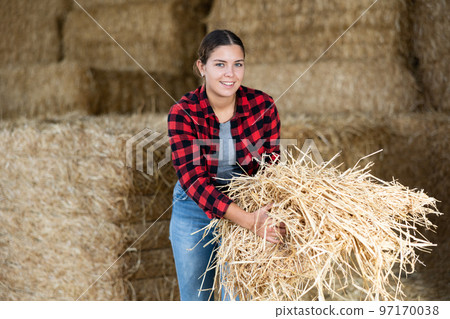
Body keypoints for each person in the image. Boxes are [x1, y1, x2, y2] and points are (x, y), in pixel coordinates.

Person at [167, 29, 286, 301]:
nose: (230, 74)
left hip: (248, 201)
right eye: (220, 64)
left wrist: (270, 215)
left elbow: (272, 168)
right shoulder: (182, 113)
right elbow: (194, 182)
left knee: (238, 300)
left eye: (238, 64)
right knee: (197, 301)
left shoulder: (263, 105)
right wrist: (248, 222)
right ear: (201, 67)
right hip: (194, 208)